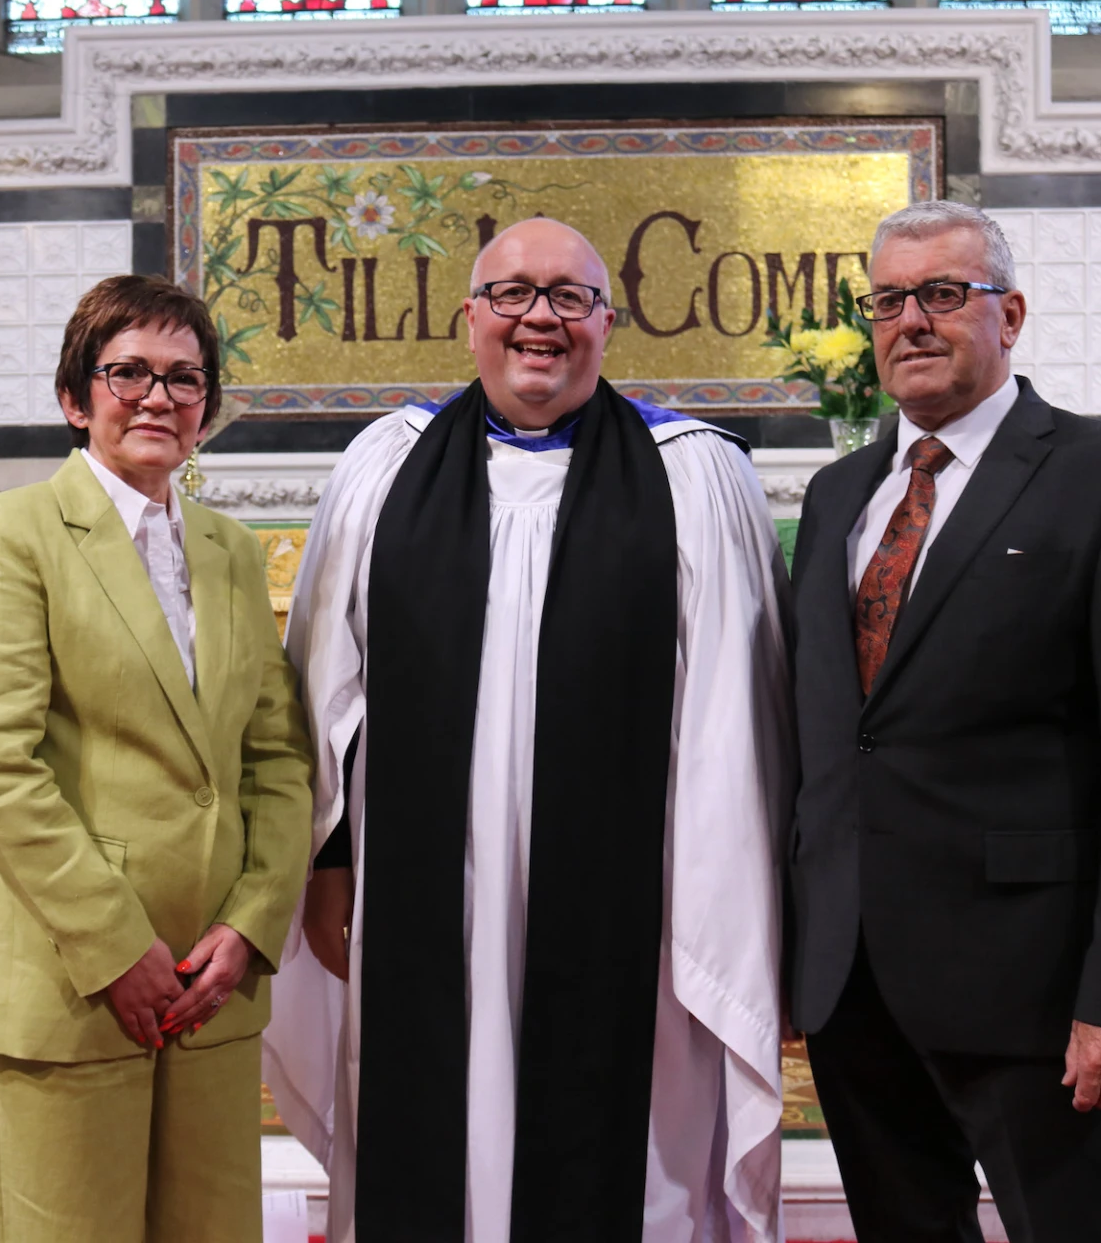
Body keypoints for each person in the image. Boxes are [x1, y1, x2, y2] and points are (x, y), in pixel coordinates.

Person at [264, 217, 795, 1242]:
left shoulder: (693, 477)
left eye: (568, 296)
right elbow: (324, 689)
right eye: (511, 293)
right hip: (425, 903)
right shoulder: (386, 467)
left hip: (633, 923)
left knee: (628, 1157)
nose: (538, 317)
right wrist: (329, 864)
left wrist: (723, 910)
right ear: (470, 317)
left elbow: (740, 726)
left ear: (608, 322)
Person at [785, 201, 1101, 1243]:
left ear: (1008, 313)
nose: (913, 322)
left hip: (1034, 979)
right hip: (854, 976)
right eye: (890, 300)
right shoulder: (841, 495)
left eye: (944, 294)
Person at [0, 274, 313, 1243]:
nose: (158, 397)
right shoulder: (10, 532)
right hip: (77, 976)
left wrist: (252, 923)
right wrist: (115, 947)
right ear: (75, 397)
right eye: (128, 372)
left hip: (209, 983)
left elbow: (275, 757)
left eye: (185, 378)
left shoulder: (233, 548)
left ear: (206, 407)